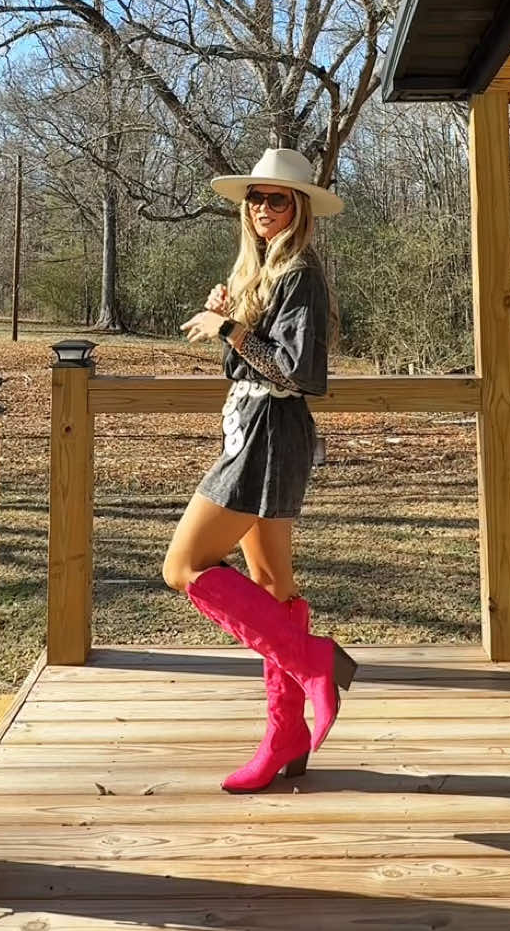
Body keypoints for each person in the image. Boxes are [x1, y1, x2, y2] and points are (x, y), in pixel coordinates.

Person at [161, 146, 357, 792]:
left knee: (183, 566)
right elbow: (252, 362)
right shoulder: (265, 270)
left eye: (278, 199)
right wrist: (235, 319)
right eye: (256, 197)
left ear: (299, 208)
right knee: (273, 586)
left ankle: (313, 660)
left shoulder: (300, 271)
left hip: (269, 436)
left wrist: (231, 331)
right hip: (256, 429)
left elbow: (296, 372)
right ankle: (287, 737)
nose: (265, 208)